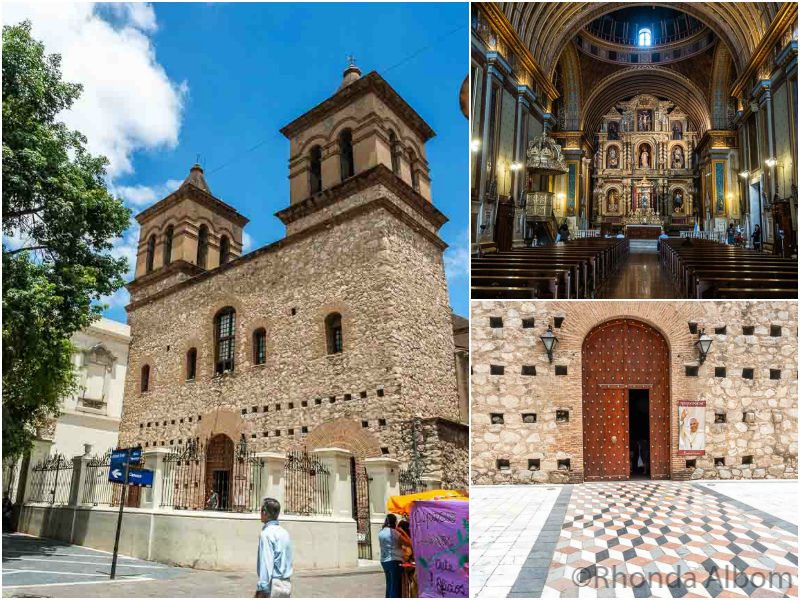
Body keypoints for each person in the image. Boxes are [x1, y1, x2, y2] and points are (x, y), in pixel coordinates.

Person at [256, 497, 293, 598]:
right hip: (286, 585)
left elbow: (266, 563)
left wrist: (262, 589)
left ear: (265, 512)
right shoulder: (284, 533)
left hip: (273, 586)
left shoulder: (266, 534)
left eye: (261, 510)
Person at [379, 514, 404, 598]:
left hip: (384, 560)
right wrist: (402, 532)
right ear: (394, 522)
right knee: (395, 586)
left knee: (389, 584)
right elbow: (408, 543)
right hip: (395, 560)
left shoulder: (381, 532)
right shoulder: (395, 533)